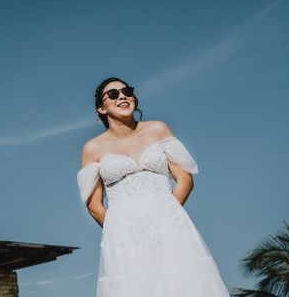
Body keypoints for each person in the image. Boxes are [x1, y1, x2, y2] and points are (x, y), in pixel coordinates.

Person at [77, 76, 230, 296]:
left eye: (127, 91)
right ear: (101, 108)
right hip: (124, 236)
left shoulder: (157, 129)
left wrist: (167, 215)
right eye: (113, 94)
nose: (122, 96)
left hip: (170, 226)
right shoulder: (92, 148)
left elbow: (185, 179)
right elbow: (94, 205)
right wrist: (119, 231)